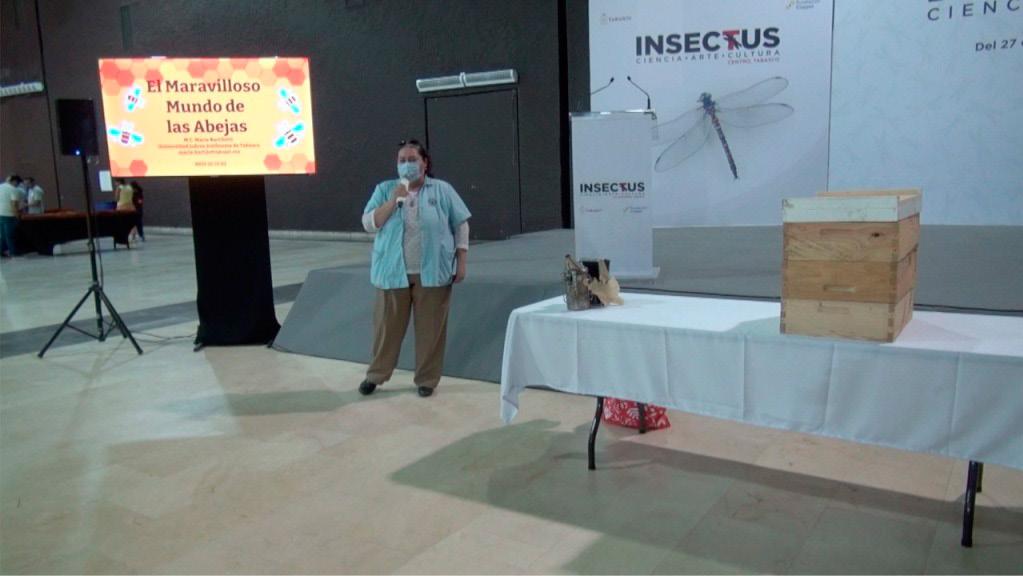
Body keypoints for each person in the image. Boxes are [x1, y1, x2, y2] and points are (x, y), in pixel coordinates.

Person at [358, 139, 470, 398]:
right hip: (392, 272)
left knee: (431, 330)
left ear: (425, 163)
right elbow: (369, 223)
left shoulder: (442, 189)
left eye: (412, 159)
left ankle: (427, 379)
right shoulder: (385, 189)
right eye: (402, 160)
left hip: (433, 272)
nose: (407, 164)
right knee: (386, 329)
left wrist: (462, 261)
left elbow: (461, 224)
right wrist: (393, 201)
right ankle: (376, 375)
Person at [1, 174, 25, 257]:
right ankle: (13, 252)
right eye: (18, 183)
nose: (18, 185)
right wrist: (17, 215)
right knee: (10, 235)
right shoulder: (13, 189)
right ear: (14, 181)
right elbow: (14, 204)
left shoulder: (1, 187)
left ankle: (1, 251)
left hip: (1, 214)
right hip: (9, 215)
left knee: (3, 235)